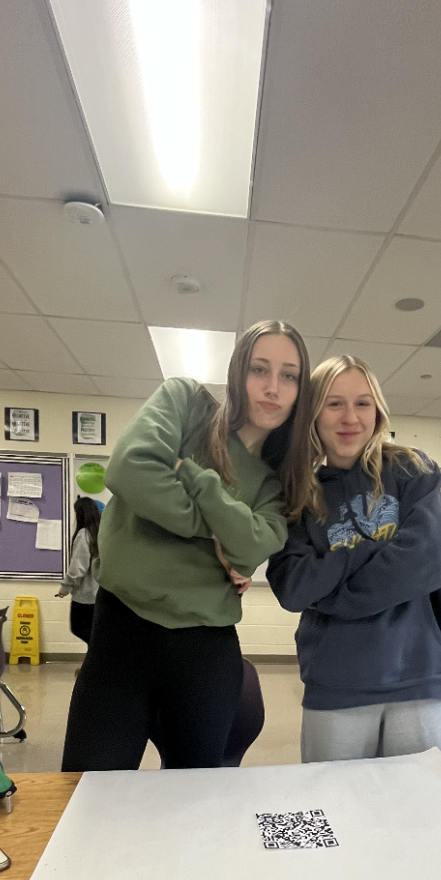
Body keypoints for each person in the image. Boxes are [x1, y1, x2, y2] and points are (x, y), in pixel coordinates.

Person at [61, 320, 315, 772]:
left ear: (300, 391)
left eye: (289, 375)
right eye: (259, 369)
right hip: (121, 633)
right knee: (85, 791)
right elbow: (129, 470)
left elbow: (250, 549)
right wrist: (217, 530)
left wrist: (193, 480)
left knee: (193, 801)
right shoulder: (184, 402)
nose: (273, 387)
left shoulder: (276, 483)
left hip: (205, 652)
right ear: (237, 372)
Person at [266, 353, 441, 763]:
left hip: (418, 674)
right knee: (333, 798)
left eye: (362, 403)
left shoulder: (411, 469)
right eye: (334, 403)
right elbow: (294, 587)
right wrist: (373, 549)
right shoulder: (298, 493)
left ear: (377, 411)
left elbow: (428, 562)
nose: (350, 417)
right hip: (337, 679)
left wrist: (331, 594)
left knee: (415, 801)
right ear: (313, 414)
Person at [55, 495, 101, 645]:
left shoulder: (84, 535)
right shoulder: (101, 533)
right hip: (100, 594)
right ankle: (95, 656)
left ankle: (97, 654)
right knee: (94, 631)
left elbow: (77, 568)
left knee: (79, 628)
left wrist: (65, 587)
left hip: (85, 595)